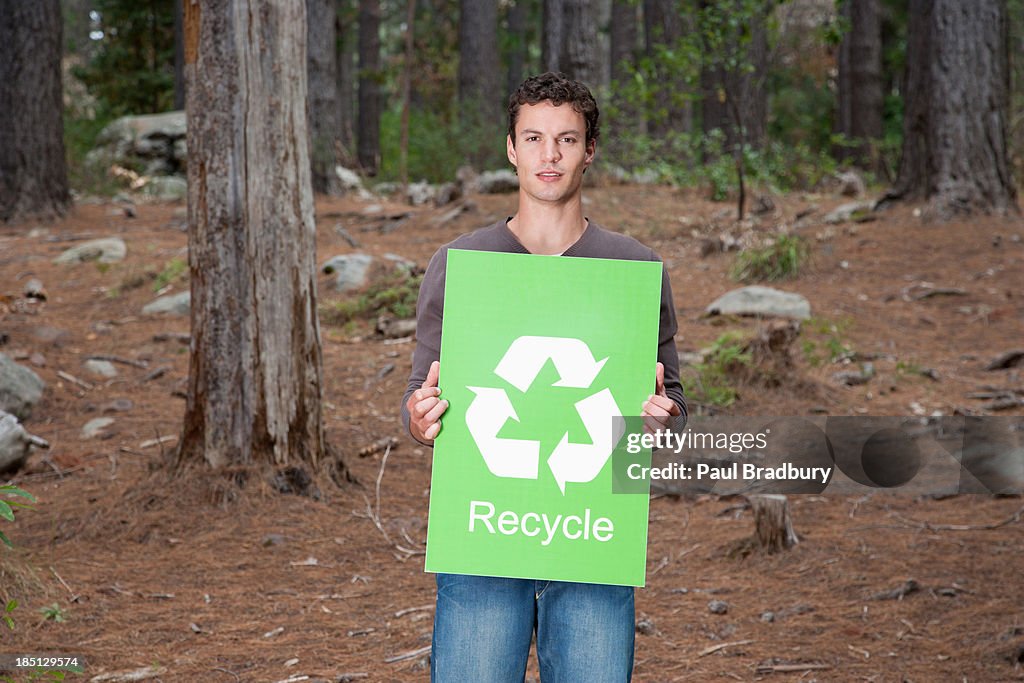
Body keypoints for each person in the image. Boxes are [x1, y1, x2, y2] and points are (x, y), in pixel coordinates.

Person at [401, 71, 686, 683]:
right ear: (510, 148)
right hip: (484, 531)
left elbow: (672, 399)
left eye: (566, 139)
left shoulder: (632, 270)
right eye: (533, 138)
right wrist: (421, 418)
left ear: (590, 150)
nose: (549, 155)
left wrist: (660, 420)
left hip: (593, 533)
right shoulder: (461, 266)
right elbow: (420, 394)